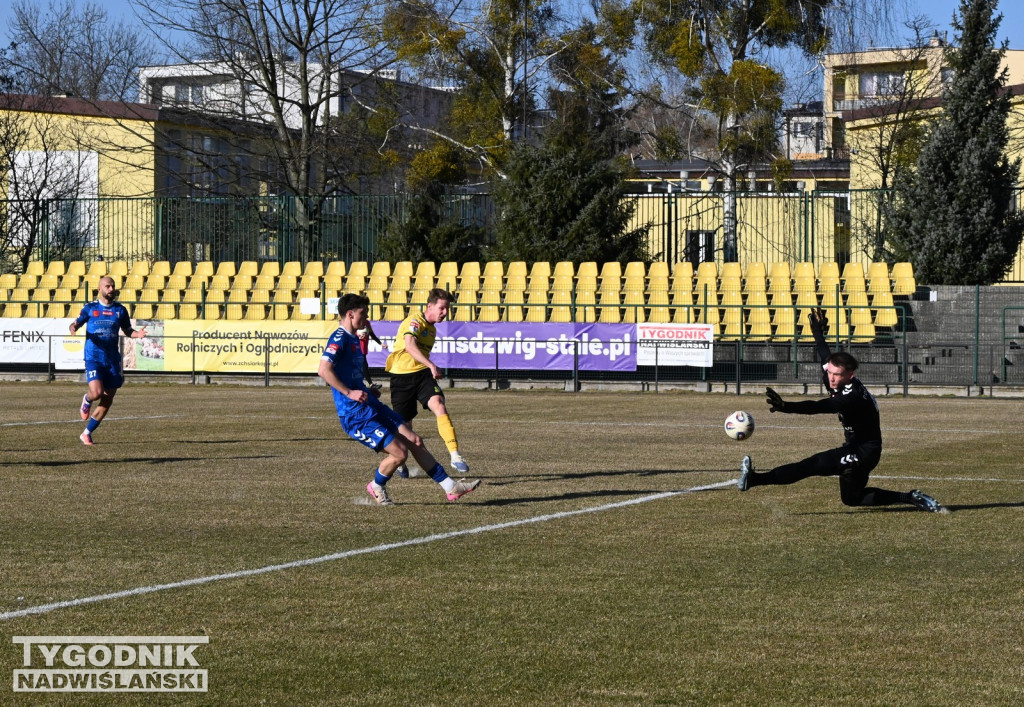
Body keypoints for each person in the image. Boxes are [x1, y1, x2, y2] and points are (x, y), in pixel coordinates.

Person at [737, 307, 946, 513]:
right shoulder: (836, 378)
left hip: (863, 452)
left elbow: (818, 407)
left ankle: (754, 480)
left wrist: (785, 406)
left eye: (837, 374)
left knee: (811, 465)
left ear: (850, 375)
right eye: (831, 373)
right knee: (852, 498)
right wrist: (817, 332)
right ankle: (910, 497)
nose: (831, 378)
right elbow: (824, 354)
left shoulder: (852, 396)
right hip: (855, 446)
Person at [318, 293, 480, 506]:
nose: (366, 318)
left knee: (415, 440)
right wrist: (350, 393)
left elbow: (349, 372)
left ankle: (451, 487)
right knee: (399, 453)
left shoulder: (355, 338)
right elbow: (323, 369)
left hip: (369, 404)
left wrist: (365, 390)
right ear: (350, 314)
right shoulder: (339, 338)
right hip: (354, 414)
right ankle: (376, 486)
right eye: (363, 313)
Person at [386, 287, 470, 476]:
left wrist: (428, 367)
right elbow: (409, 345)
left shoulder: (431, 329)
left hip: (422, 375)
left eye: (447, 308)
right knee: (405, 427)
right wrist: (432, 365)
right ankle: (399, 460)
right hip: (401, 378)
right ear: (429, 306)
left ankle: (455, 455)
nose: (445, 313)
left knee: (439, 405)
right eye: (442, 308)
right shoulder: (415, 320)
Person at [69, 275, 148, 446]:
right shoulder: (90, 308)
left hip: (112, 360)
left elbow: (128, 330)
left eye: (113, 286)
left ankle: (87, 433)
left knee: (107, 400)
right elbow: (75, 323)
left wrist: (137, 334)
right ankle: (87, 399)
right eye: (107, 286)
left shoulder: (120, 310)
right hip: (94, 357)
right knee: (97, 393)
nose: (111, 289)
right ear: (100, 289)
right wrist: (73, 327)